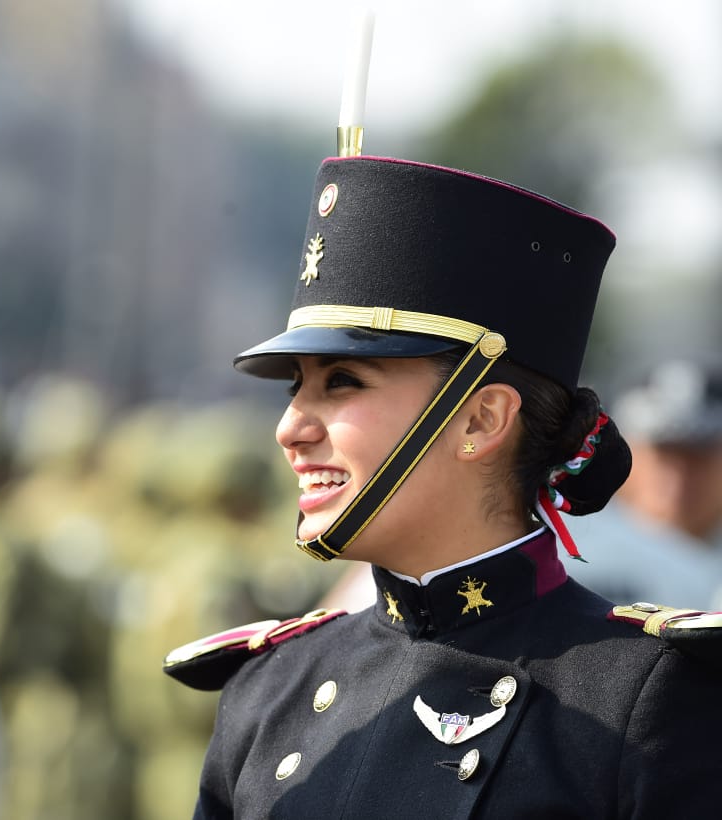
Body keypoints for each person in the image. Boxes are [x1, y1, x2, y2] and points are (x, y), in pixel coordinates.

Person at [162, 154, 722, 817]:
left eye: (342, 382)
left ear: (482, 419)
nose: (290, 428)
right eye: (296, 387)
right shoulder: (268, 689)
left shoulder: (647, 697)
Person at [566, 358, 722, 608]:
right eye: (663, 453)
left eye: (698, 456)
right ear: (621, 451)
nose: (678, 476)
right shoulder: (568, 557)